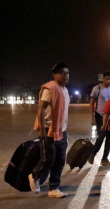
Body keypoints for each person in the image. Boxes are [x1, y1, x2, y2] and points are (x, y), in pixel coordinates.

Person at [28, 63, 71, 198]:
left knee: (60, 160)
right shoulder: (50, 88)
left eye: (67, 73)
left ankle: (54, 188)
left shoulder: (65, 90)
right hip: (49, 129)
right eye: (62, 73)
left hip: (61, 130)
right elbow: (41, 108)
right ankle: (34, 175)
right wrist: (41, 130)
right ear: (54, 75)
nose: (65, 75)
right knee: (48, 159)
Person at [88, 71, 110, 166]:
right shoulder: (97, 88)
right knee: (101, 136)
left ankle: (105, 159)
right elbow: (91, 104)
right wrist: (92, 117)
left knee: (109, 139)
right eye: (107, 79)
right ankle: (92, 154)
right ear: (103, 79)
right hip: (100, 115)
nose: (109, 81)